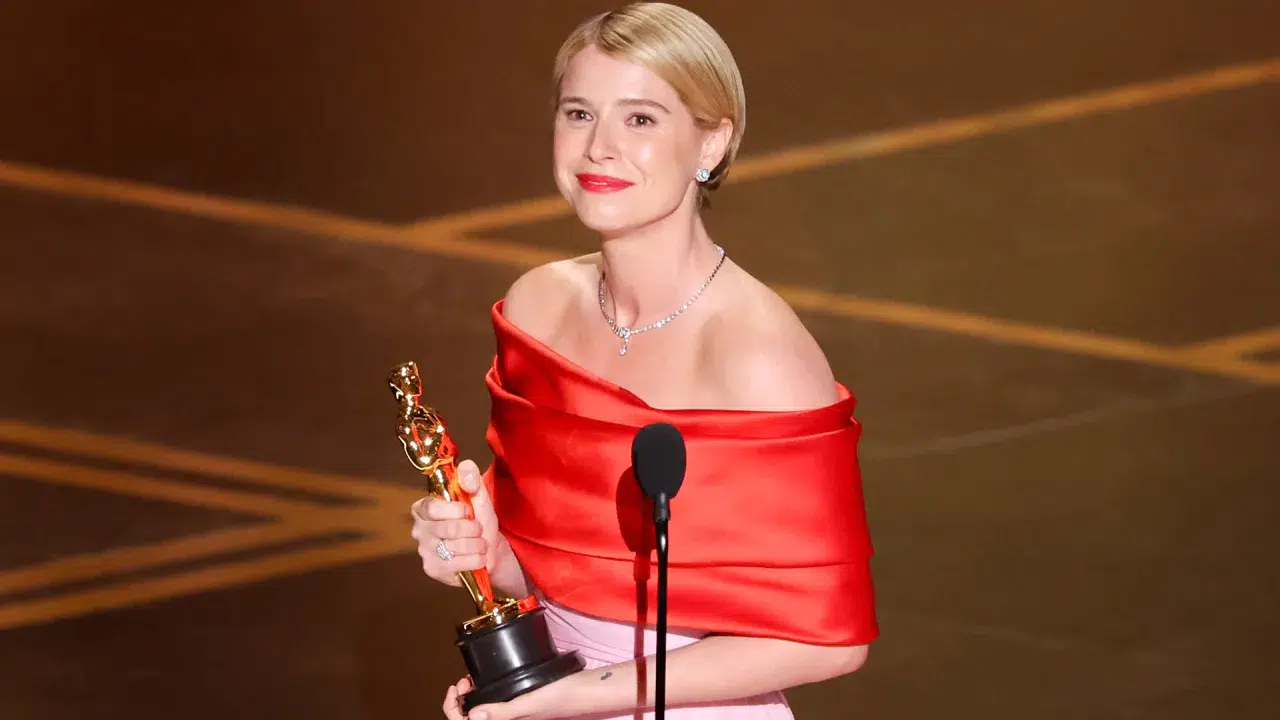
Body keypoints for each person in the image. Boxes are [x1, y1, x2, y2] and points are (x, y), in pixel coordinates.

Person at [410, 3, 878, 718]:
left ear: (712, 142)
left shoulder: (758, 357)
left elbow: (827, 642)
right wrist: (483, 549)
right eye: (578, 114)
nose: (599, 148)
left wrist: (574, 696)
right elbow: (568, 580)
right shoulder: (537, 311)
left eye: (640, 119)